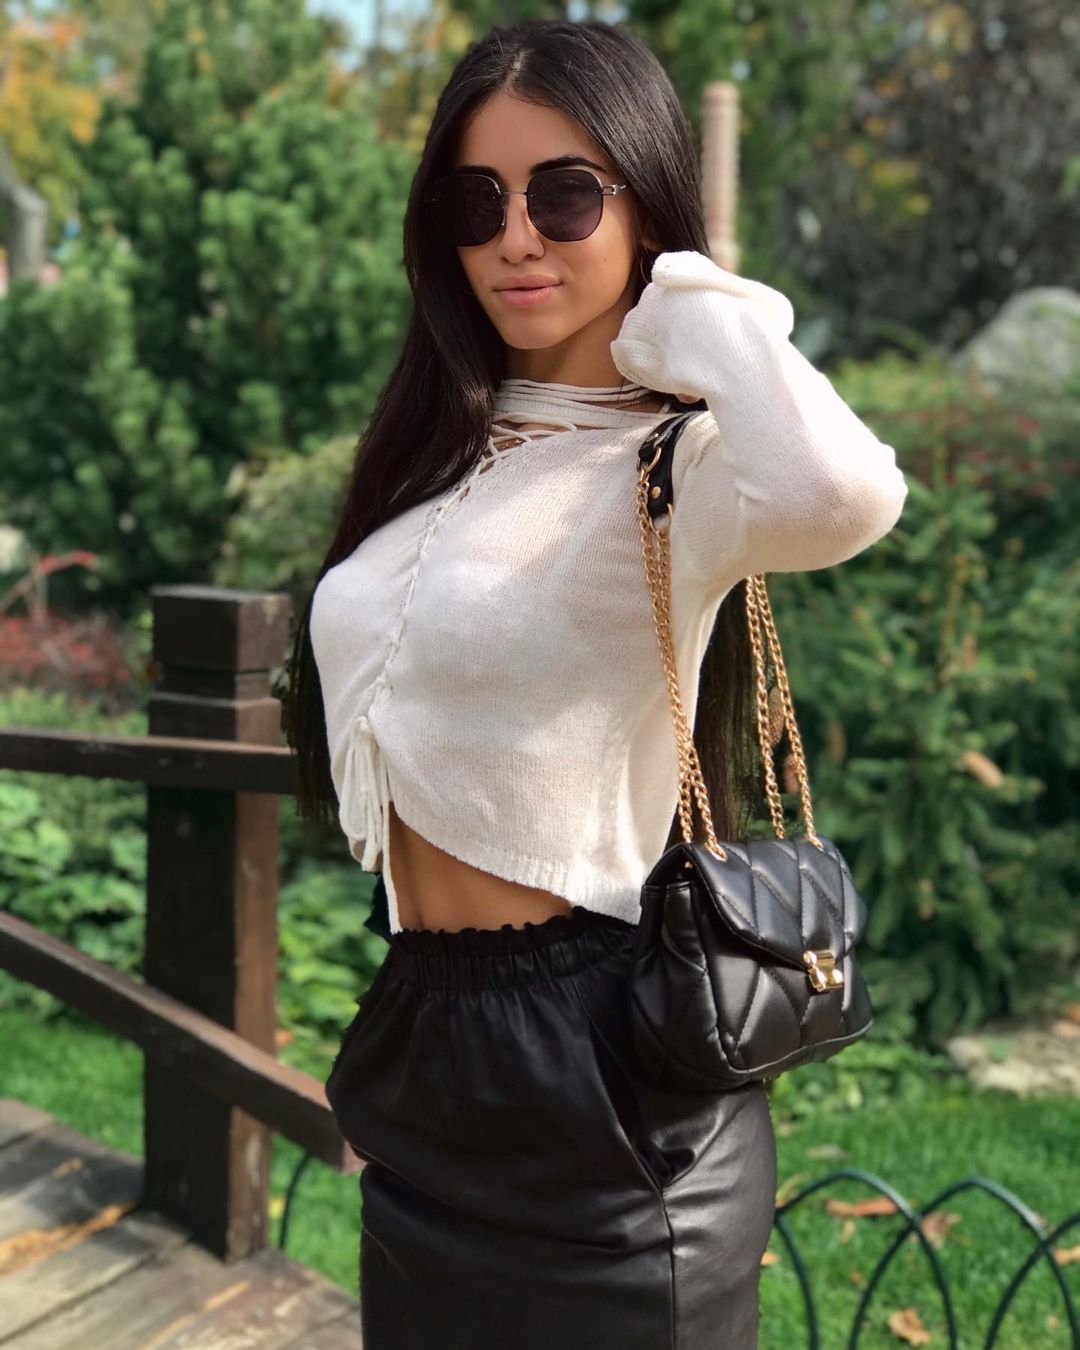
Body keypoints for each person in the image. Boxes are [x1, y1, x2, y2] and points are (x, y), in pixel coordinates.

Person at [282, 18, 909, 1349]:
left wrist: (691, 306)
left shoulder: (680, 467)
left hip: (605, 1073)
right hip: (435, 1036)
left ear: (643, 204)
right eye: (477, 201)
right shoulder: (444, 454)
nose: (517, 237)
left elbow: (847, 492)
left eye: (566, 194)